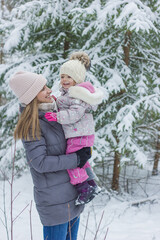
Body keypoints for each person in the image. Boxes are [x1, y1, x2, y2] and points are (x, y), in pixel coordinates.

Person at [9, 71, 92, 240]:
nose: (49, 91)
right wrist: (76, 159)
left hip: (71, 197)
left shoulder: (55, 114)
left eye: (47, 86)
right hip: (54, 204)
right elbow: (39, 162)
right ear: (32, 96)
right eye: (43, 89)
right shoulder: (32, 124)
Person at [45, 52, 104, 205]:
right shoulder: (71, 94)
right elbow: (67, 104)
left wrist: (57, 116)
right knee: (82, 161)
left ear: (77, 79)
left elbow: (75, 114)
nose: (64, 80)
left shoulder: (77, 95)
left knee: (73, 161)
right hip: (82, 134)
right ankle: (92, 184)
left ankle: (84, 188)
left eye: (69, 77)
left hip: (79, 135)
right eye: (62, 76)